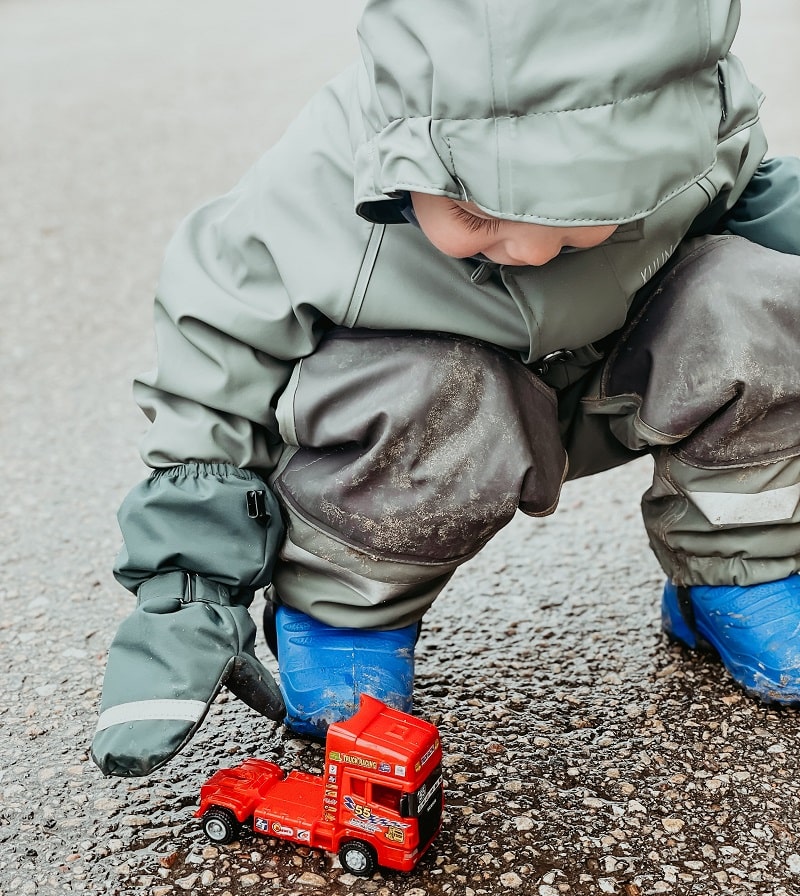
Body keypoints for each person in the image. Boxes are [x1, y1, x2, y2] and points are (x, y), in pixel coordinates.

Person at [91, 0, 800, 777]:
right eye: (470, 209)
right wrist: (190, 579)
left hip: (609, 377)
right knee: (432, 391)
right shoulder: (314, 195)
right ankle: (344, 615)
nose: (528, 247)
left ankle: (739, 569)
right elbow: (211, 358)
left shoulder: (688, 140)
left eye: (575, 216)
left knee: (763, 300)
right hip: (423, 422)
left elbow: (757, 202)